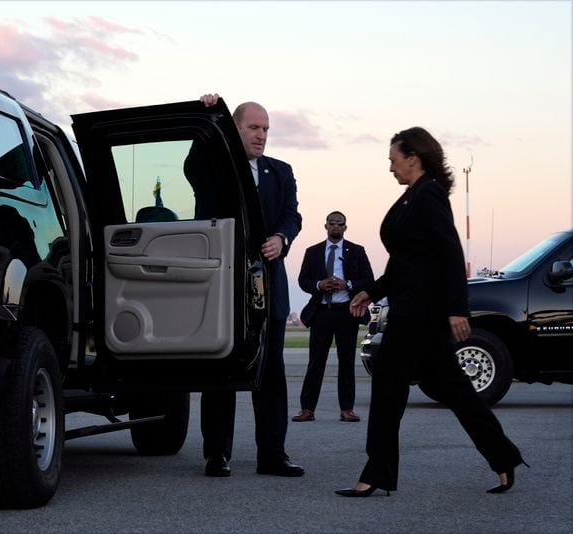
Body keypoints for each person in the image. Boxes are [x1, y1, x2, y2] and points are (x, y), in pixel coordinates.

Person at [336, 127, 526, 497]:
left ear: (413, 157)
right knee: (453, 390)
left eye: (393, 159)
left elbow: (450, 252)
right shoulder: (412, 197)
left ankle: (375, 475)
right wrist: (369, 292)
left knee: (388, 389)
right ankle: (504, 458)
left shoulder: (430, 195)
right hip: (414, 311)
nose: (390, 167)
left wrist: (458, 309)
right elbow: (403, 263)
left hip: (419, 316)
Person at [197, 94, 304, 478]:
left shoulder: (281, 171)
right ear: (236, 128)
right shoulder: (214, 166)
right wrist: (210, 116)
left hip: (269, 287)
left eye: (266, 129)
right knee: (222, 367)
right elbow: (191, 164)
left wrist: (282, 238)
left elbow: (293, 215)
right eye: (253, 128)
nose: (261, 136)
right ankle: (216, 454)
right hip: (225, 283)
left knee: (271, 369)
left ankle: (272, 454)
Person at [292, 211, 374, 423]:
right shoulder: (313, 252)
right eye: (332, 223)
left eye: (340, 223)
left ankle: (347, 409)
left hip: (347, 312)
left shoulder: (356, 251)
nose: (335, 226)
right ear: (325, 226)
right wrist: (320, 284)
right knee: (316, 362)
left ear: (345, 227)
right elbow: (303, 280)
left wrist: (347, 284)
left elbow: (368, 280)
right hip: (321, 313)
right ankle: (307, 409)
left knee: (346, 362)